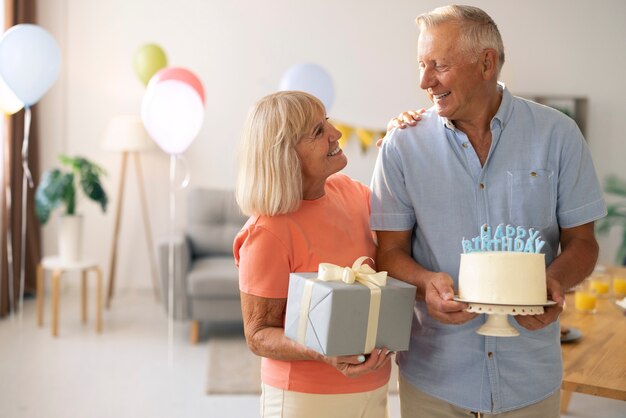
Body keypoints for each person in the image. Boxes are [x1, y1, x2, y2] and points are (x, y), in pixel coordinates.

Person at [370, 5, 606, 418]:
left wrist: (551, 283)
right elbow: (388, 252)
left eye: (438, 65)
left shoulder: (558, 135)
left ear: (486, 63)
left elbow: (583, 243)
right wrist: (425, 282)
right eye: (421, 65)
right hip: (435, 380)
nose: (424, 81)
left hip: (529, 380)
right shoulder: (402, 146)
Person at [233, 90, 392, 418]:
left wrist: (404, 144)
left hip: (374, 390)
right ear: (285, 154)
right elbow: (258, 335)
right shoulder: (267, 232)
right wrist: (324, 352)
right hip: (305, 400)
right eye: (318, 131)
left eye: (328, 123)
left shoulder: (352, 193)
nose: (336, 135)